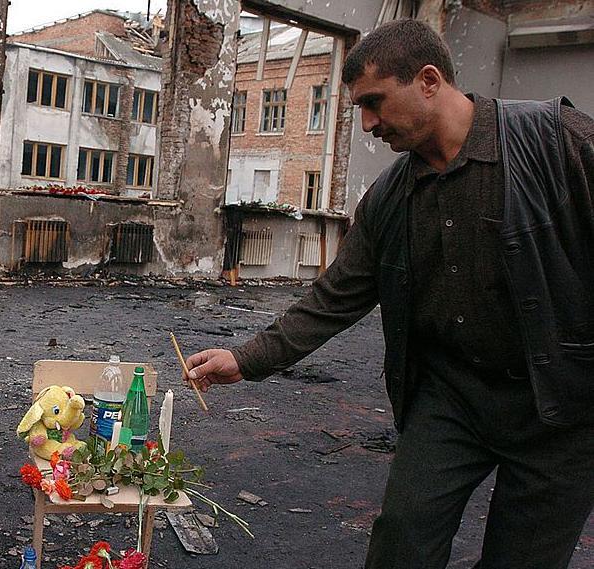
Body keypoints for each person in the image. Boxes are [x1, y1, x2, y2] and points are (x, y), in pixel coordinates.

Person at [185, 18, 593, 569]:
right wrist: (246, 358)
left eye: (374, 102)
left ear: (428, 80)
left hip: (562, 409)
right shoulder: (389, 199)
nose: (368, 123)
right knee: (401, 542)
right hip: (452, 402)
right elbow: (334, 298)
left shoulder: (553, 141)